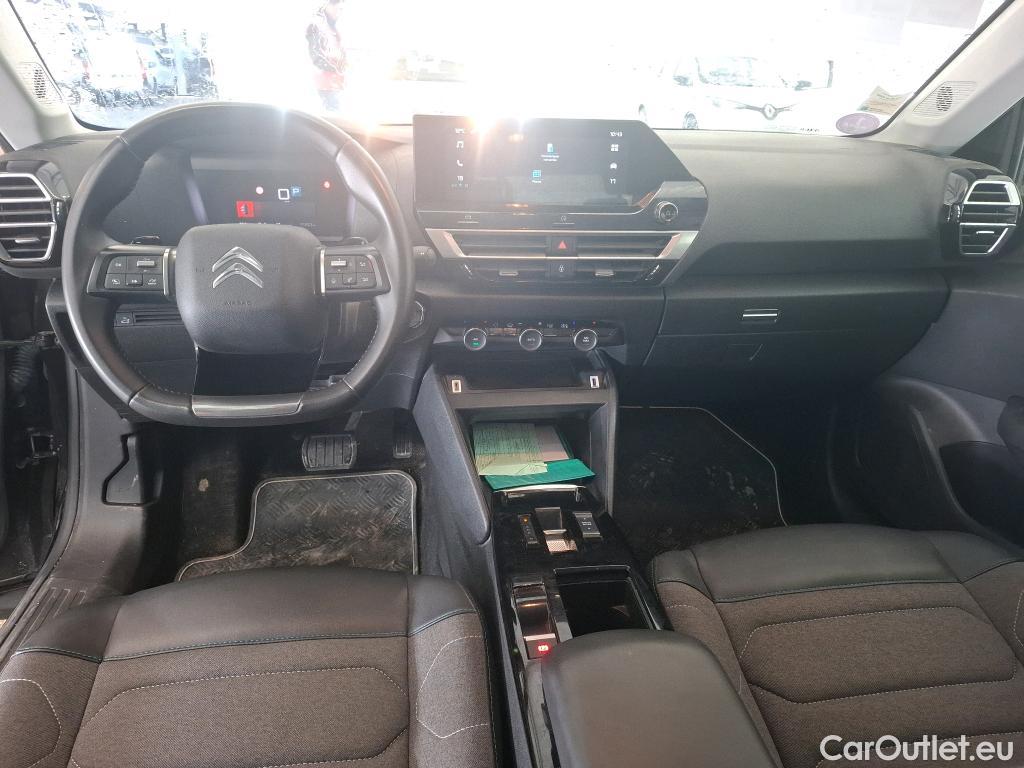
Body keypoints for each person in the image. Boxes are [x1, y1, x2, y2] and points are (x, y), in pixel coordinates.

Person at [306, 0, 346, 111]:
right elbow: (316, 56)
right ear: (328, 5)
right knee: (331, 116)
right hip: (323, 88)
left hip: (335, 86)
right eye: (338, 9)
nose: (339, 13)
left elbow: (339, 53)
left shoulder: (333, 28)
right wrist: (336, 70)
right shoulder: (316, 25)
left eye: (341, 10)